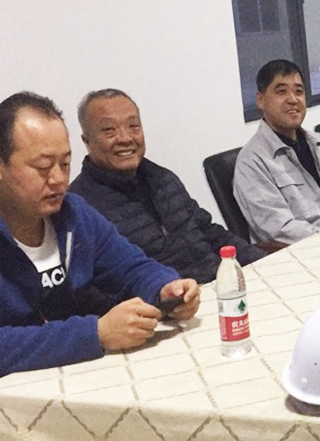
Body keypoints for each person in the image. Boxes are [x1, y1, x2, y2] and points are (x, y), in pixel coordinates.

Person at [0, 92, 200, 378]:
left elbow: (132, 267)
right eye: (42, 167)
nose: (58, 179)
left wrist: (166, 288)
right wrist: (95, 333)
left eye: (65, 163)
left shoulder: (74, 213)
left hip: (81, 374)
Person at [69, 89, 267, 283]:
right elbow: (99, 286)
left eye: (133, 126)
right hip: (169, 299)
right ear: (87, 141)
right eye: (109, 130)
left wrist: (263, 263)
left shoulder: (162, 178)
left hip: (217, 284)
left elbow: (209, 232)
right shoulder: (79, 207)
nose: (125, 138)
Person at [234, 59, 320, 245]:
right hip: (312, 250)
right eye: (281, 92)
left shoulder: (319, 143)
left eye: (298, 91)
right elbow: (280, 230)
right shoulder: (252, 163)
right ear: (261, 100)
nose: (293, 99)